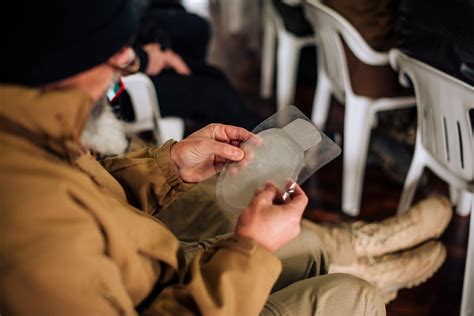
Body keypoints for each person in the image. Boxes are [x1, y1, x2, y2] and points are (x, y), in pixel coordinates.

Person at [0, 1, 450, 315]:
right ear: (61, 65)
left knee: (305, 245)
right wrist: (249, 249)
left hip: (157, 272)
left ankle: (364, 249)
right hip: (163, 290)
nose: (129, 64)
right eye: (114, 58)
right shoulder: (30, 226)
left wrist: (171, 165)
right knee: (352, 297)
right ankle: (366, 263)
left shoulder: (35, 131)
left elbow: (97, 195)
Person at [115, 0, 261, 133]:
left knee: (198, 32)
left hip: (130, 40)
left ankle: (192, 95)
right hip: (119, 91)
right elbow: (103, 55)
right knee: (216, 94)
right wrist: (144, 58)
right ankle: (262, 141)